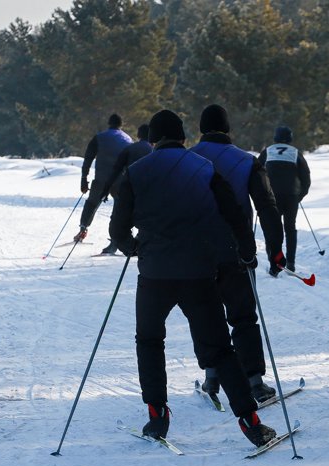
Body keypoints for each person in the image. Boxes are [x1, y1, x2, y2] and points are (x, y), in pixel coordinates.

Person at [109, 109, 277, 447]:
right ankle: (250, 422)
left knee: (150, 342)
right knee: (220, 350)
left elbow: (117, 229)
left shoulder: (135, 171)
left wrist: (135, 248)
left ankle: (157, 417)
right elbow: (235, 216)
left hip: (154, 275)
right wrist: (246, 253)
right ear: (184, 137)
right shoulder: (205, 168)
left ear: (153, 140)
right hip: (199, 273)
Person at [189, 104, 285, 403]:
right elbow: (267, 208)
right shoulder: (247, 161)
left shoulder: (186, 159)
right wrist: (275, 250)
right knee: (243, 317)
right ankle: (255, 382)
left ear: (201, 129)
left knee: (205, 315)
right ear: (228, 129)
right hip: (236, 252)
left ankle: (212, 378)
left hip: (196, 252)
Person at [74, 114, 133, 254]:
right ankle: (115, 241)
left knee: (92, 203)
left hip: (102, 179)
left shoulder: (99, 137)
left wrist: (84, 178)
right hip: (120, 180)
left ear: (109, 123)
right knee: (118, 210)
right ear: (121, 125)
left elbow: (88, 158)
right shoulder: (128, 139)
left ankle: (83, 229)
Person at [257, 126, 311, 274]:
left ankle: (275, 264)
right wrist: (300, 195)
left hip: (271, 197)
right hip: (291, 197)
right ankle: (291, 263)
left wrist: (259, 193)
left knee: (272, 229)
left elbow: (255, 171)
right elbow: (306, 178)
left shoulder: (268, 151)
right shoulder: (295, 153)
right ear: (290, 138)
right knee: (290, 228)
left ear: (275, 137)